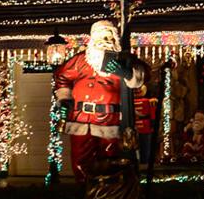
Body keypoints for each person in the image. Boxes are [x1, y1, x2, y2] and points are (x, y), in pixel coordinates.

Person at [53, 21, 147, 185]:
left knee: (109, 161)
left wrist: (126, 72)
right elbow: (62, 76)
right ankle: (85, 195)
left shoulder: (124, 59)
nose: (105, 40)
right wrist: (64, 99)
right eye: (101, 36)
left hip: (109, 119)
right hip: (81, 119)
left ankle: (107, 195)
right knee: (80, 160)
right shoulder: (81, 61)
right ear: (93, 39)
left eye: (109, 36)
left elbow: (145, 74)